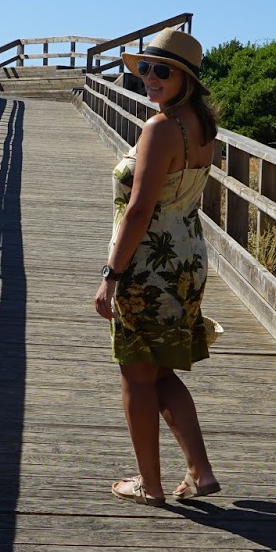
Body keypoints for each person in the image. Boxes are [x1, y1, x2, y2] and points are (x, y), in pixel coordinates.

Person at [93, 27, 221, 506]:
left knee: (135, 374)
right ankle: (200, 472)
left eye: (162, 71)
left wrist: (110, 277)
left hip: (147, 266)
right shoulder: (201, 127)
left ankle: (149, 485)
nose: (149, 77)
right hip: (186, 259)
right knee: (160, 371)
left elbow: (139, 210)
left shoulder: (160, 128)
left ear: (186, 79)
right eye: (144, 68)